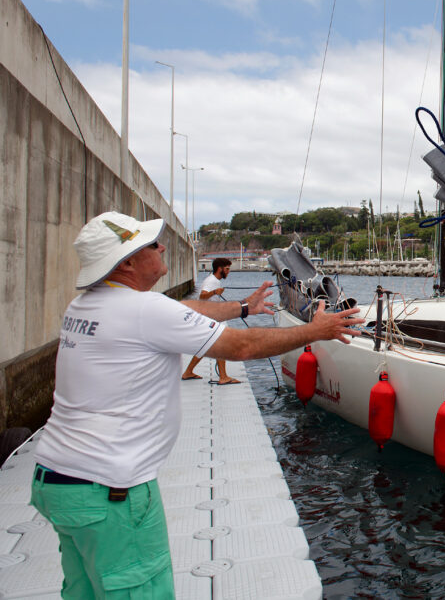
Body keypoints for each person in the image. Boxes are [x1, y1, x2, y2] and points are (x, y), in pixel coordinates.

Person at [30, 211, 363, 598]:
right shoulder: (144, 312)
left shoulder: (86, 306)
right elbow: (242, 347)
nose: (162, 246)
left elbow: (189, 311)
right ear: (128, 262)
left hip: (57, 481)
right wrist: (315, 330)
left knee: (83, 590)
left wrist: (243, 309)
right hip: (109, 491)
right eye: (152, 244)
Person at [181, 257, 237, 384]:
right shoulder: (211, 281)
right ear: (220, 269)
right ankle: (223, 377)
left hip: (209, 318)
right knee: (220, 345)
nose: (228, 271)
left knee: (206, 347)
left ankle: (188, 372)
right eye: (227, 269)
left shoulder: (215, 280)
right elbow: (202, 295)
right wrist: (214, 292)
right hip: (209, 319)